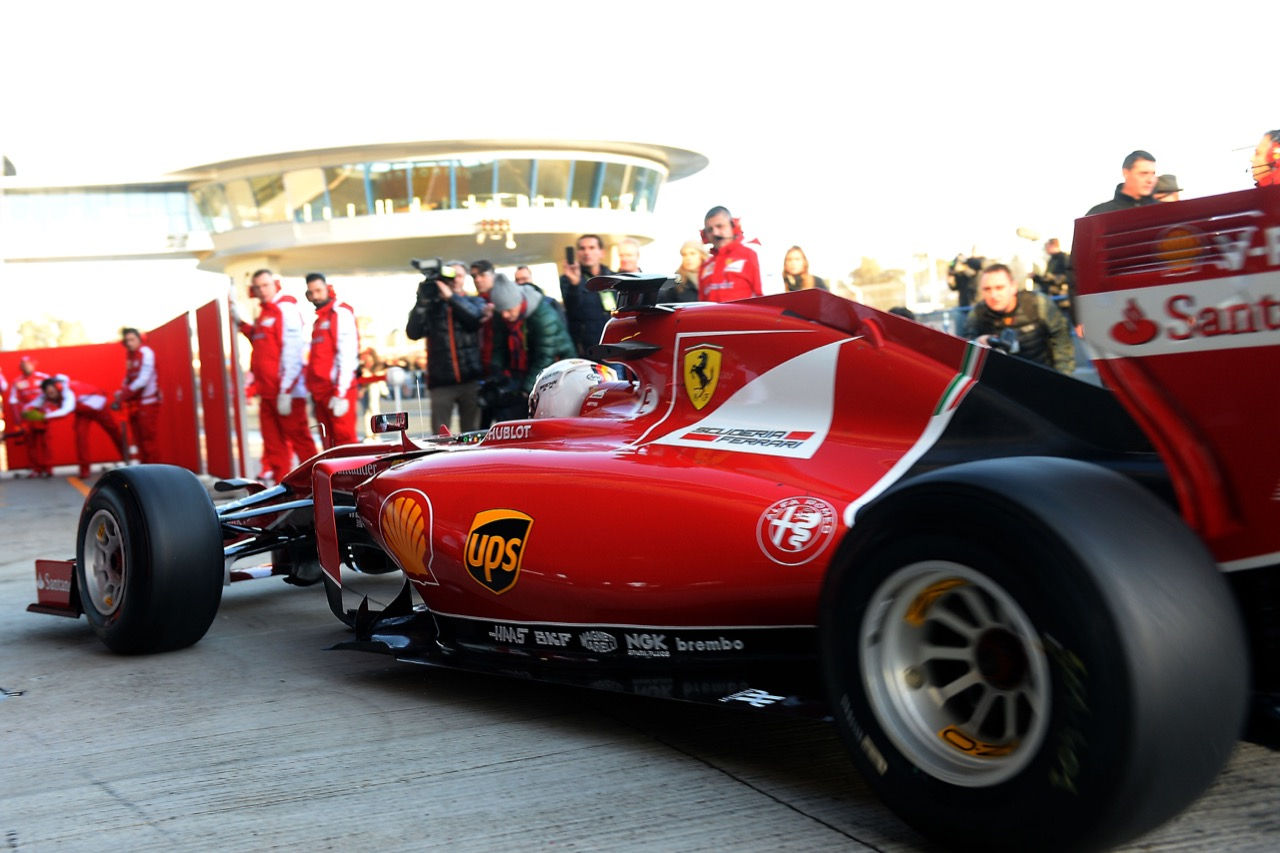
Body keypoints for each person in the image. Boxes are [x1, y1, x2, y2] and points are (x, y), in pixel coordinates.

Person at [233, 269, 317, 482]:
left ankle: (317, 486)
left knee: (300, 441)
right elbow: (261, 341)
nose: (261, 291)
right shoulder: (266, 312)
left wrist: (286, 390)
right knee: (274, 445)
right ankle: (284, 489)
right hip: (268, 392)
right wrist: (241, 324)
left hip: (285, 392)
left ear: (275, 284)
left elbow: (292, 351)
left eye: (265, 285)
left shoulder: (285, 309)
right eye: (257, 287)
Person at [405, 263, 487, 433]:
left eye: (459, 275)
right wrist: (421, 301)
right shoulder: (431, 307)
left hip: (470, 379)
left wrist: (451, 298)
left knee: (473, 434)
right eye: (451, 276)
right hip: (441, 381)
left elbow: (474, 319)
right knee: (440, 436)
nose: (455, 280)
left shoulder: (474, 301)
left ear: (465, 278)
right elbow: (413, 333)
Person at [488, 274, 576, 420]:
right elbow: (499, 346)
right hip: (524, 370)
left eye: (509, 310)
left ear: (519, 302)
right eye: (501, 311)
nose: (505, 315)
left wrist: (526, 390)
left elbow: (545, 356)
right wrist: (497, 371)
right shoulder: (502, 316)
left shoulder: (543, 315)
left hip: (556, 370)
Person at [963, 263, 1075, 375]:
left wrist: (1062, 378)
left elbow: (1062, 338)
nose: (993, 295)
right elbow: (965, 352)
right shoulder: (977, 314)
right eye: (987, 289)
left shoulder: (1038, 303)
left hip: (1043, 376)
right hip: (1001, 382)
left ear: (1013, 287)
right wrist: (977, 344)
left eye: (999, 287)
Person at [303, 273, 360, 448]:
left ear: (328, 289)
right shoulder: (319, 321)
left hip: (336, 390)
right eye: (311, 292)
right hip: (320, 392)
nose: (315, 296)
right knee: (328, 442)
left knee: (345, 441)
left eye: (318, 290)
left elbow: (347, 353)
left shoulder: (340, 313)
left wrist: (340, 393)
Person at [38, 375, 127, 479]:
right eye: (48, 393)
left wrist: (44, 416)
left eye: (52, 392)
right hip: (83, 412)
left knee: (115, 433)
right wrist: (29, 410)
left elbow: (65, 410)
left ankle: (127, 460)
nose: (51, 395)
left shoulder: (67, 391)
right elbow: (36, 402)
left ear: (58, 387)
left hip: (100, 408)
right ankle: (85, 470)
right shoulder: (50, 392)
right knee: (80, 438)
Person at [559, 234, 615, 357]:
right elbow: (572, 308)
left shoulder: (613, 277)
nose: (587, 252)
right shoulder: (568, 279)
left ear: (602, 252)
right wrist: (575, 284)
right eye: (582, 248)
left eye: (591, 248)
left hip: (614, 343)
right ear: (578, 253)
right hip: (587, 348)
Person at [698, 206, 762, 302]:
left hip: (743, 316)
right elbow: (701, 303)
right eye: (710, 230)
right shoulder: (705, 265)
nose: (715, 233)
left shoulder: (750, 254)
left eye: (720, 226)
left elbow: (762, 296)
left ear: (733, 226)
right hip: (711, 316)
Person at [114, 327, 159, 463]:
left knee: (148, 441)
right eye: (127, 340)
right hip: (135, 404)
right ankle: (144, 470)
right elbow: (129, 377)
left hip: (147, 403)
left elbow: (143, 379)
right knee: (139, 440)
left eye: (132, 339)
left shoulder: (146, 353)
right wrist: (121, 393)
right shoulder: (130, 355)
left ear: (139, 339)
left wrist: (124, 393)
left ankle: (153, 471)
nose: (129, 343)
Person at [8, 356, 51, 476]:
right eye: (23, 364)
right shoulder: (17, 382)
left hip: (43, 415)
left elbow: (52, 395)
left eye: (28, 364)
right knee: (31, 444)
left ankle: (48, 468)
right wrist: (18, 419)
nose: (26, 366)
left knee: (45, 443)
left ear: (33, 364)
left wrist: (48, 412)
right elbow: (13, 400)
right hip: (28, 417)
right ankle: (35, 469)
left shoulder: (44, 378)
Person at [1086, 150, 1158, 214]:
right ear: (1126, 173)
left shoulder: (1162, 211)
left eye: (1153, 174)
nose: (1150, 180)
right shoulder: (1099, 214)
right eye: (1143, 173)